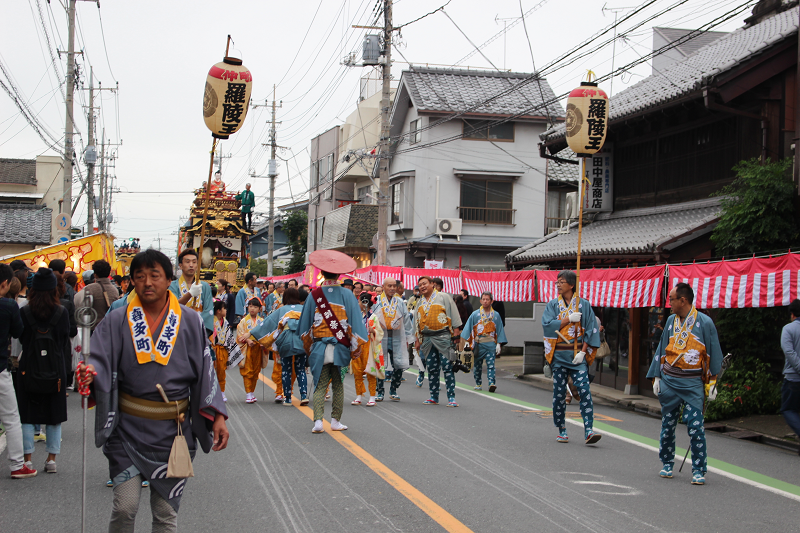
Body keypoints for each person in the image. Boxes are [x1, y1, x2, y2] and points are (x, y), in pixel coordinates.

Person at [77, 249, 228, 532]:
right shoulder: (117, 320)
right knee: (125, 507)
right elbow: (97, 359)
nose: (147, 282)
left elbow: (205, 373)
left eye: (154, 275)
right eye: (140, 276)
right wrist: (89, 374)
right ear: (131, 281)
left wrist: (217, 415)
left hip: (174, 433)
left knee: (165, 514)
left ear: (168, 279)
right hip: (127, 429)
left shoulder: (191, 321)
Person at [647, 282, 722, 484]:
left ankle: (698, 469)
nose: (668, 303)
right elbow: (661, 349)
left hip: (692, 383)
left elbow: (713, 352)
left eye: (671, 299)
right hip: (670, 380)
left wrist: (712, 382)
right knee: (667, 424)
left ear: (683, 300)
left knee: (696, 426)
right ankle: (667, 462)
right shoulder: (671, 321)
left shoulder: (704, 323)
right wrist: (657, 376)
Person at [299, 250, 368, 433]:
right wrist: (355, 349)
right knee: (338, 384)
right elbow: (357, 326)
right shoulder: (348, 296)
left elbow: (304, 328)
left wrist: (309, 348)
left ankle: (318, 422)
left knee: (321, 385)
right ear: (339, 275)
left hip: (320, 347)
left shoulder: (314, 295)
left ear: (321, 273)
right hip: (341, 347)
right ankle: (336, 421)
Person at [15, 268, 71, 474]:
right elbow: (64, 339)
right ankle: (51, 460)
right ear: (54, 290)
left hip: (28, 368)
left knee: (28, 414)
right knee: (54, 415)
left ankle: (28, 459)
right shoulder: (62, 312)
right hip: (55, 369)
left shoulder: (24, 311)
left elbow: (21, 338)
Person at [542, 270, 602, 445]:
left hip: (577, 356)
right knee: (559, 394)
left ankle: (589, 430)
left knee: (584, 390)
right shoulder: (553, 305)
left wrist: (583, 351)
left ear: (571, 284)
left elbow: (591, 329)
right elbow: (547, 326)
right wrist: (568, 319)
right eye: (557, 282)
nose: (558, 285)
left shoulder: (583, 305)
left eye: (561, 282)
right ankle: (562, 428)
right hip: (559, 355)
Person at [0, 263, 37, 478]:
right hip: (0, 369)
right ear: (5, 283)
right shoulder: (8, 306)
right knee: (11, 417)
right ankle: (17, 465)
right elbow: (17, 332)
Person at [249, 287, 307, 406]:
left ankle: (287, 398)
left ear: (285, 297)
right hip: (301, 341)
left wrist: (250, 333)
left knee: (286, 369)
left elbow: (267, 323)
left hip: (286, 342)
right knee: (300, 369)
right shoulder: (304, 309)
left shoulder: (282, 309)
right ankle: (304, 395)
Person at [414, 275, 462, 407]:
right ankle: (433, 396)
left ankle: (451, 397)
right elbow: (416, 322)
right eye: (420, 285)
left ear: (432, 284)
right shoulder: (419, 302)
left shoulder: (443, 297)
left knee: (448, 367)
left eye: (425, 283)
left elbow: (454, 313)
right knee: (432, 368)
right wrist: (417, 339)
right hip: (427, 338)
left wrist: (456, 332)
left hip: (444, 336)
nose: (422, 287)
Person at [373, 277, 413, 402]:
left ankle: (393, 389)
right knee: (380, 364)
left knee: (399, 365)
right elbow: (371, 318)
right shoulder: (376, 301)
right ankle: (380, 391)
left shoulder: (400, 302)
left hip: (397, 336)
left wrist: (409, 337)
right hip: (381, 337)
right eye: (389, 286)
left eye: (394, 286)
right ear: (383, 287)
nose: (391, 288)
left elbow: (406, 319)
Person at [462, 291, 507, 393]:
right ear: (480, 301)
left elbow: (499, 329)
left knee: (491, 364)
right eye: (484, 299)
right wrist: (467, 343)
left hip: (490, 343)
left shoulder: (496, 315)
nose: (485, 301)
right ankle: (478, 382)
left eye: (488, 299)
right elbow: (468, 328)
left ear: (492, 301)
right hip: (478, 343)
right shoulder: (475, 314)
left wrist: (499, 344)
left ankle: (491, 383)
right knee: (477, 365)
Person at [169, 249, 215, 334]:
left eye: (194, 262)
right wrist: (190, 294)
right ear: (180, 265)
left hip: (199, 330)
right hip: (179, 329)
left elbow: (208, 311)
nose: (191, 265)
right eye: (187, 262)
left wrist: (196, 325)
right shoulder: (172, 286)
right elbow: (172, 307)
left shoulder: (205, 287)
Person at [351, 299, 381, 407]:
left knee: (370, 371)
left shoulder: (373, 317)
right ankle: (359, 395)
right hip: (358, 345)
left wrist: (374, 331)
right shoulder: (357, 316)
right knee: (357, 371)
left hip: (369, 345)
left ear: (365, 303)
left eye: (359, 302)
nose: (358, 304)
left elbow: (380, 333)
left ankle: (372, 397)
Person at [74, 260, 118, 331]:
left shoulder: (89, 289)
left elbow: (78, 304)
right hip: (109, 329)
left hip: (92, 330)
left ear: (95, 274)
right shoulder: (115, 290)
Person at [237, 298, 266, 404]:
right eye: (250, 306)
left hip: (258, 349)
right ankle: (248, 393)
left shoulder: (262, 321)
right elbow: (239, 334)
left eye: (255, 307)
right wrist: (248, 340)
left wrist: (263, 343)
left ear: (259, 309)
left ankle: (252, 392)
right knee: (247, 370)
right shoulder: (243, 321)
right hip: (247, 349)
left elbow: (265, 334)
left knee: (256, 371)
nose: (252, 309)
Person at [781, 299, 800, 455]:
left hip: (793, 377)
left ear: (792, 314)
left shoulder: (789, 329)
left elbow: (789, 352)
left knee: (788, 409)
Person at [210, 300, 232, 402]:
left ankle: (222, 392)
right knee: (211, 372)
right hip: (214, 349)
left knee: (221, 371)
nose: (226, 310)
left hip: (223, 349)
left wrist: (229, 349)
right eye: (224, 309)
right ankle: (212, 392)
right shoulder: (211, 321)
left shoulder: (225, 322)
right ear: (218, 311)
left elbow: (229, 336)